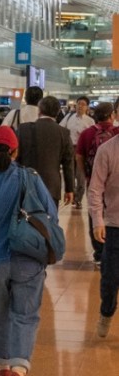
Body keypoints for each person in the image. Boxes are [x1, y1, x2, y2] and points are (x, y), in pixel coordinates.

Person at [0, 125, 55, 376]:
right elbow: (52, 214)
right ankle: (19, 367)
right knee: (25, 315)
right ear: (15, 152)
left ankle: (3, 364)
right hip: (28, 258)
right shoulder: (31, 178)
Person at [88, 126, 119, 338]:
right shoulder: (107, 150)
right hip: (114, 224)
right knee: (110, 277)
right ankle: (106, 312)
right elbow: (95, 189)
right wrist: (97, 221)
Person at [77, 102, 117, 266]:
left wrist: (86, 175)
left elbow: (79, 156)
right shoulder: (116, 132)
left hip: (94, 179)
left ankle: (99, 252)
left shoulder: (86, 134)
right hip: (114, 182)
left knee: (95, 211)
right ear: (112, 115)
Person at [15, 96, 74, 206]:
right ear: (57, 112)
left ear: (39, 110)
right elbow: (68, 163)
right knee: (50, 220)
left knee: (26, 219)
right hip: (52, 186)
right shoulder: (64, 133)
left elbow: (16, 157)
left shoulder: (23, 129)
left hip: (26, 184)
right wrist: (69, 189)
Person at [60, 96, 94, 208]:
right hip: (70, 149)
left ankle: (78, 199)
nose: (80, 106)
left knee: (80, 176)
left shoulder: (90, 121)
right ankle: (73, 195)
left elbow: (92, 137)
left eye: (83, 104)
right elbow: (61, 128)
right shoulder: (69, 117)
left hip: (82, 151)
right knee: (70, 174)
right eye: (79, 103)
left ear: (87, 107)